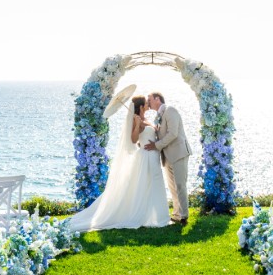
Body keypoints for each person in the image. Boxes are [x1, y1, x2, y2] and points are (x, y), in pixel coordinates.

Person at [67, 96, 171, 232]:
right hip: (146, 156)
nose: (148, 105)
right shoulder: (136, 120)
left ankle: (157, 216)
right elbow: (133, 140)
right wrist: (137, 125)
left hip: (153, 155)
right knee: (149, 183)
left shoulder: (146, 119)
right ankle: (149, 216)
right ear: (141, 107)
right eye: (146, 103)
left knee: (154, 183)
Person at [143, 91, 191, 225]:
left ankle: (184, 216)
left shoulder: (170, 111)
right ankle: (176, 214)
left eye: (149, 99)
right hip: (166, 156)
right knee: (172, 187)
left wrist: (156, 145)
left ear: (157, 99)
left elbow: (173, 133)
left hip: (178, 153)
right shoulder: (158, 116)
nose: (148, 102)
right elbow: (159, 134)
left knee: (180, 185)